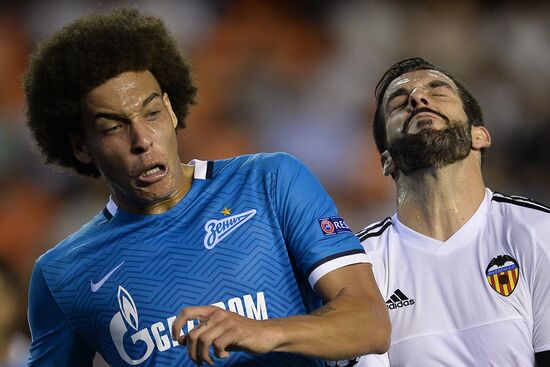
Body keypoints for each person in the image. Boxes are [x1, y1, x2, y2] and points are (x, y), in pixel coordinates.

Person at [24, 8, 390, 367]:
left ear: (170, 111)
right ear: (81, 146)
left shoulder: (270, 182)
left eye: (151, 114)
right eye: (113, 127)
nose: (142, 139)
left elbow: (369, 322)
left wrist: (266, 332)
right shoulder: (62, 276)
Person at [357, 57, 550, 366]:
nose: (418, 98)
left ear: (480, 136)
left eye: (438, 91)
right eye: (399, 103)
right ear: (386, 160)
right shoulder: (360, 265)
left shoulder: (539, 233)